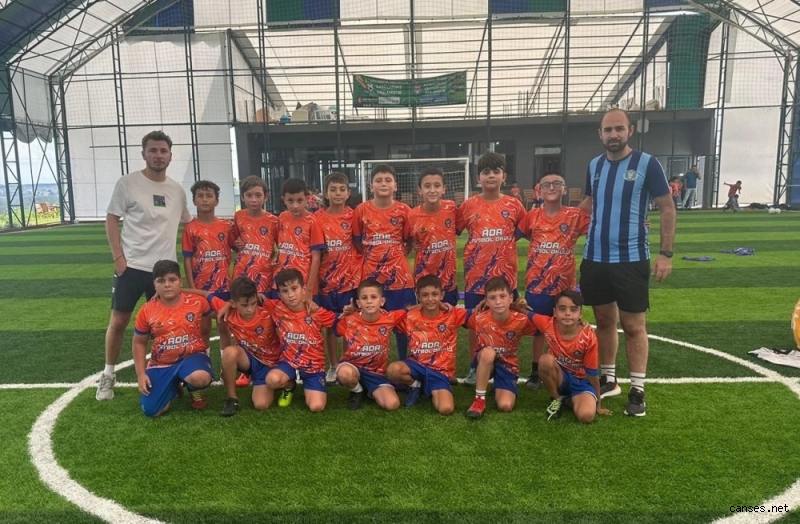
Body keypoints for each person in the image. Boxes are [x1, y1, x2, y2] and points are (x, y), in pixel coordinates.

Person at [577, 108, 675, 417]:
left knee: (633, 325)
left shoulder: (647, 164)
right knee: (604, 321)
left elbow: (667, 206)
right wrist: (556, 226)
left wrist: (666, 253)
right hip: (595, 257)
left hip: (631, 258)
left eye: (619, 128)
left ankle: (638, 389)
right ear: (600, 134)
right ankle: (610, 379)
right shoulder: (594, 165)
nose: (614, 134)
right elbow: (589, 203)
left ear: (630, 131)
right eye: (608, 130)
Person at [97, 130, 192, 402]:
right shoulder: (127, 183)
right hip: (132, 267)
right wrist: (118, 258)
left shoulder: (176, 190)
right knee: (119, 321)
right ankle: (108, 374)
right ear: (144, 154)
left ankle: (165, 375)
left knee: (164, 327)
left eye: (163, 151)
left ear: (170, 156)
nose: (158, 155)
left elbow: (190, 224)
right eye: (153, 150)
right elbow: (112, 219)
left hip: (164, 273)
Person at [456, 150, 526, 385]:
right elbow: (454, 229)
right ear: (478, 178)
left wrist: (503, 246)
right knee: (475, 323)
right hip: (476, 276)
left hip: (505, 277)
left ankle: (506, 364)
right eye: (486, 172)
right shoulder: (468, 206)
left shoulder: (514, 205)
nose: (491, 176)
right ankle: (474, 366)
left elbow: (523, 230)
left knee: (506, 320)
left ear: (504, 176)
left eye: (496, 171)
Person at [518, 171, 590, 390]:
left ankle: (566, 368)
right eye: (546, 184)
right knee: (539, 329)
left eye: (557, 183)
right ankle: (535, 371)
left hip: (564, 285)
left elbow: (601, 228)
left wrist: (638, 223)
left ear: (564, 189)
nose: (552, 187)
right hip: (537, 283)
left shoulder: (575, 215)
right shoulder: (532, 216)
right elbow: (513, 235)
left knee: (565, 326)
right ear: (539, 190)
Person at [184, 276, 280, 417]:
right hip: (248, 360)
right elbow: (204, 294)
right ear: (233, 303)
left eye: (253, 303)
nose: (250, 309)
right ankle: (231, 398)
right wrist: (176, 290)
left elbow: (291, 304)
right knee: (229, 352)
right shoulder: (229, 311)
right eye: (244, 305)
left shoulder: (267, 309)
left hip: (270, 363)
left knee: (261, 404)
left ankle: (276, 381)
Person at [133, 260, 214, 417]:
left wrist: (207, 295)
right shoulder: (147, 310)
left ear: (180, 282)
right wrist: (141, 374)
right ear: (154, 284)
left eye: (172, 280)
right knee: (152, 411)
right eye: (161, 281)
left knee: (201, 378)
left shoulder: (196, 302)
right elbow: (139, 342)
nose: (167, 285)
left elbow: (222, 312)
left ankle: (193, 388)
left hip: (192, 357)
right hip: (161, 363)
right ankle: (173, 384)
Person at [353, 164, 416, 360]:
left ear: (395, 185)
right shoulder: (361, 210)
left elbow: (409, 240)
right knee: (371, 323)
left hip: (400, 279)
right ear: (371, 186)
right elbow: (357, 241)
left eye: (388, 180)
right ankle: (371, 364)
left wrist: (397, 255)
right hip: (371, 278)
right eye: (379, 180)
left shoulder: (404, 211)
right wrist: (373, 256)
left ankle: (404, 364)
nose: (383, 184)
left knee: (403, 324)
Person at [387, 275, 468, 415]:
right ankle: (415, 385)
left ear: (442, 295)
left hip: (439, 372)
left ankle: (435, 386)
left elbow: (478, 316)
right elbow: (385, 319)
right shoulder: (410, 317)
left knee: (446, 409)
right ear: (418, 296)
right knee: (393, 370)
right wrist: (410, 308)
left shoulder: (452, 313)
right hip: (417, 366)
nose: (430, 299)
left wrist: (486, 303)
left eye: (434, 294)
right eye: (425, 295)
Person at [264, 268, 336, 412]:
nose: (290, 295)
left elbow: (341, 322)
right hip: (288, 363)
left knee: (316, 406)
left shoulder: (316, 312)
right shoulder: (275, 307)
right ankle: (289, 386)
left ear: (303, 289)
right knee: (272, 380)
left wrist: (353, 310)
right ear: (279, 295)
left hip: (313, 366)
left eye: (294, 288)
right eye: (285, 291)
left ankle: (311, 387)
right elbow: (252, 298)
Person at [465, 277, 537, 419]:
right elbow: (450, 316)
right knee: (488, 353)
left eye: (502, 296)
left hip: (507, 365)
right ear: (486, 301)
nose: (498, 302)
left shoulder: (521, 320)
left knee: (505, 405)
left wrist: (520, 308)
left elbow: (546, 327)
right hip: (484, 360)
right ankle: (479, 399)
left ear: (511, 298)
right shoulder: (478, 317)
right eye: (492, 298)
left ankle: (500, 386)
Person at [230, 175, 278, 387]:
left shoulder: (273, 221)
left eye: (258, 195)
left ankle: (269, 360)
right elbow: (233, 241)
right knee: (242, 322)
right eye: (249, 195)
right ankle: (246, 370)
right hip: (242, 276)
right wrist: (236, 244)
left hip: (264, 279)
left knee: (264, 322)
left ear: (266, 196)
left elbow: (282, 245)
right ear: (243, 197)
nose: (254, 199)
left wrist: (276, 260)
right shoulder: (238, 217)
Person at [536, 290, 611, 423]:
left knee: (586, 416)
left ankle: (568, 400)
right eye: (562, 309)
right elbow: (527, 313)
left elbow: (592, 373)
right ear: (554, 312)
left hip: (582, 382)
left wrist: (598, 404)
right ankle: (556, 398)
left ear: (580, 314)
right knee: (545, 360)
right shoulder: (548, 324)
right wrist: (514, 304)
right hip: (560, 377)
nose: (567, 313)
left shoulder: (588, 337)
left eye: (573, 309)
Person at [316, 172, 362, 384]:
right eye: (333, 189)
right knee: (331, 326)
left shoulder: (353, 216)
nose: (337, 193)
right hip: (326, 282)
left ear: (348, 193)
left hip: (348, 282)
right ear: (326, 194)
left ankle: (347, 362)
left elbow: (359, 243)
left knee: (347, 323)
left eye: (342, 189)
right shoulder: (318, 218)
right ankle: (333, 365)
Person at [334, 279, 404, 411]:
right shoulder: (349, 320)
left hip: (376, 373)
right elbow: (330, 325)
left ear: (382, 301)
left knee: (392, 404)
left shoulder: (390, 318)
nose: (369, 301)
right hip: (352, 367)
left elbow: (409, 310)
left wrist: (435, 305)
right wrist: (341, 316)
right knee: (345, 374)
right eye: (364, 298)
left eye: (373, 297)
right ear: (358, 303)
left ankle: (369, 389)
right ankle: (357, 390)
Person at [181, 180, 233, 352]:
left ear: (217, 201)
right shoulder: (190, 229)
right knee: (203, 328)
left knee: (224, 325)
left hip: (224, 286)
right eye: (200, 196)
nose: (204, 199)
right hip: (201, 287)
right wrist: (192, 287)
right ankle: (205, 361)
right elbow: (187, 259)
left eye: (209, 196)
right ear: (194, 200)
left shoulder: (226, 226)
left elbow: (238, 247)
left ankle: (226, 362)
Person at [407, 167, 459, 306]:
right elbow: (407, 239)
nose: (432, 190)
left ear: (444, 189)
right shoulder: (412, 215)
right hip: (424, 280)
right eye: (427, 186)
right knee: (426, 317)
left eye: (437, 185)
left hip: (448, 280)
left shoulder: (451, 208)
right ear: (420, 190)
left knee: (449, 316)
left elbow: (459, 228)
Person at [274, 178, 325, 300]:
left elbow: (316, 257)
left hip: (303, 285)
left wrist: (309, 290)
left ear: (307, 199)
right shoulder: (282, 218)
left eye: (299, 200)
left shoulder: (313, 222)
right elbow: (278, 244)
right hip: (282, 283)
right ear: (284, 200)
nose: (295, 205)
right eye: (290, 201)